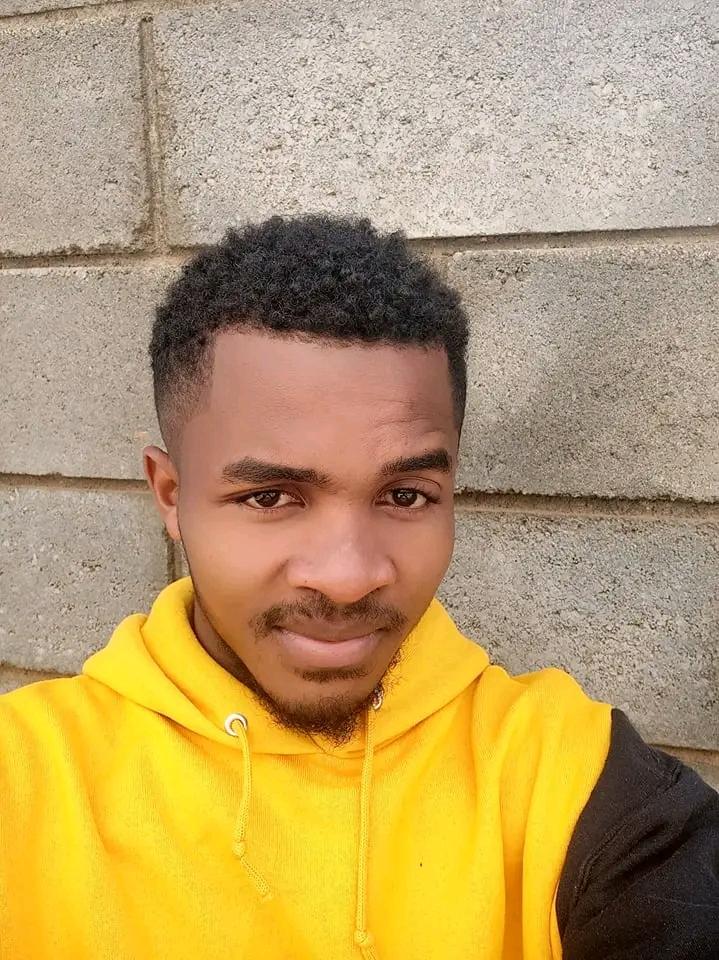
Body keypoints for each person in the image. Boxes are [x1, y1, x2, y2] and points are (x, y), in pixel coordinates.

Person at [1, 215, 717, 960]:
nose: (346, 579)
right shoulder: (27, 778)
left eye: (405, 496)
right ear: (170, 495)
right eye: (270, 497)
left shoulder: (576, 781)